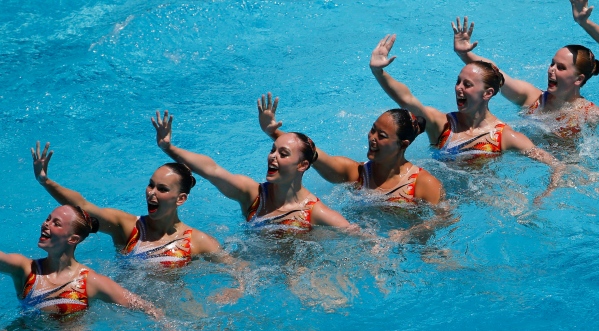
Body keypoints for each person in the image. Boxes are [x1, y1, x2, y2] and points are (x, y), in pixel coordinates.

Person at [32, 142, 245, 303]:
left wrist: (236, 289)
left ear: (180, 199)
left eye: (162, 189)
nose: (151, 194)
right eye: (151, 185)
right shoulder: (128, 228)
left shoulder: (197, 241)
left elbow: (239, 267)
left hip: (172, 309)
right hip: (124, 307)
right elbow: (83, 206)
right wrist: (46, 182)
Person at [369, 32, 563, 197]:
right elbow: (407, 100)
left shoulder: (503, 136)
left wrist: (545, 195)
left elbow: (556, 165)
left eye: (467, 85)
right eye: (458, 82)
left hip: (482, 200)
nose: (458, 89)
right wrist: (379, 72)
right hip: (437, 200)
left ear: (487, 93)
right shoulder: (442, 125)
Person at [151, 107, 352, 232]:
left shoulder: (313, 211)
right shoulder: (252, 195)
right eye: (273, 150)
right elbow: (211, 170)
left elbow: (354, 232)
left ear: (302, 165)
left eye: (283, 154)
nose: (272, 157)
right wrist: (169, 148)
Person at [258, 93, 443, 205]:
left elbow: (442, 220)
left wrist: (406, 234)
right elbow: (311, 153)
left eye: (382, 136)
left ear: (403, 145)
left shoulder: (423, 184)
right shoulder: (357, 174)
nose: (372, 138)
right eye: (372, 130)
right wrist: (273, 133)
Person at [452, 16, 599, 138]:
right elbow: (496, 72)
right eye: (552, 63)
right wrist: (465, 54)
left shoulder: (588, 113)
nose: (551, 70)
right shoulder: (532, 98)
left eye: (560, 67)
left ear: (579, 79)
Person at [0, 205, 161, 318]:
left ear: (72, 239)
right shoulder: (26, 270)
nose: (45, 225)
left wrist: (170, 329)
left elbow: (141, 305)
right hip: (26, 330)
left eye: (56, 224)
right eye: (48, 219)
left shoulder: (89, 282)